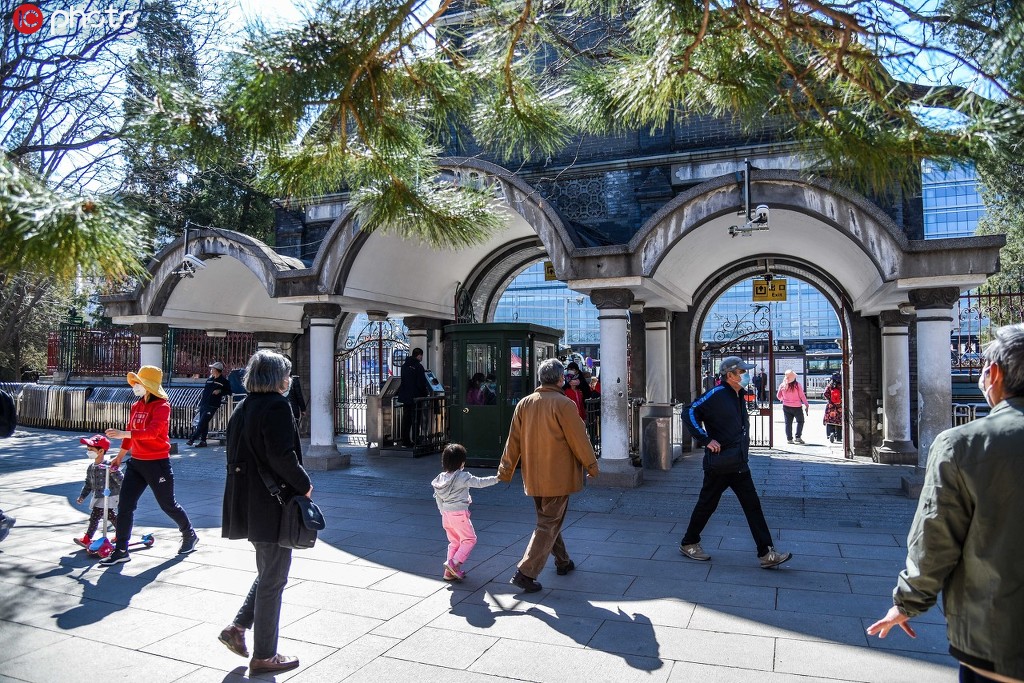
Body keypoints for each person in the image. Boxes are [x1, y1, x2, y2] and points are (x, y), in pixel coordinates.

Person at [867, 323, 1024, 683]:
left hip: (1000, 635)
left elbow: (935, 538)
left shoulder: (964, 444)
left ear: (995, 373)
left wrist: (907, 603)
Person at [220, 350, 312, 676]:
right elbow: (282, 455)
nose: (289, 380)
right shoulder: (276, 406)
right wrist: (305, 485)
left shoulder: (243, 407)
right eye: (286, 374)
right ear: (276, 378)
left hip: (248, 503)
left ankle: (237, 627)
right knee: (274, 578)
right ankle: (265, 656)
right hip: (271, 505)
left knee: (268, 570)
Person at [498, 358, 600, 593]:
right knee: (548, 523)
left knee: (548, 520)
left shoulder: (524, 403)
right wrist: (592, 467)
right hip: (558, 475)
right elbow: (579, 440)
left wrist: (506, 469)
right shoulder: (564, 404)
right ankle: (525, 572)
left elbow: (513, 441)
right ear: (560, 379)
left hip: (533, 475)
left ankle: (563, 561)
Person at [680, 356, 792, 569]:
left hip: (739, 463)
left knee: (753, 506)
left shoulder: (738, 394)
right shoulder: (717, 393)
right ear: (729, 375)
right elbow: (689, 411)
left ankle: (766, 553)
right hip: (720, 464)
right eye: (742, 372)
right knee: (707, 505)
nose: (746, 375)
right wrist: (705, 439)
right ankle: (689, 542)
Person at [101, 365, 199, 566]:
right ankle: (121, 550)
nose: (135, 386)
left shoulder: (162, 406)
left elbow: (152, 432)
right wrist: (120, 456)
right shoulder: (136, 405)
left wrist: (124, 434)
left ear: (148, 385)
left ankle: (189, 534)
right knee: (126, 505)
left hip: (157, 464)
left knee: (167, 505)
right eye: (135, 382)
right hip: (136, 463)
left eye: (139, 382)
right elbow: (130, 433)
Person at [431, 443, 499, 581]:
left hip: (446, 515)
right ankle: (454, 563)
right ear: (462, 462)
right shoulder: (462, 477)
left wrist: (443, 512)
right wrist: (497, 478)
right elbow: (480, 482)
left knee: (454, 542)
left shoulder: (440, 478)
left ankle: (448, 573)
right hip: (459, 514)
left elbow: (438, 499)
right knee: (469, 539)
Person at [74, 434, 121, 548]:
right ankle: (122, 533)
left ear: (101, 451)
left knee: (95, 516)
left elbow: (121, 480)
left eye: (91, 450)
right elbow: (88, 484)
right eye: (88, 449)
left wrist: (113, 471)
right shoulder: (91, 467)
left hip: (109, 496)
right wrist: (82, 496)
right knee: (111, 516)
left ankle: (87, 538)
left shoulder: (109, 465)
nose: (88, 452)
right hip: (98, 496)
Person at [187, 361, 232, 447]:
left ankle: (192, 439)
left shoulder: (224, 381)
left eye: (212, 368)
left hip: (212, 405)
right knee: (204, 423)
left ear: (217, 370)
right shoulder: (209, 379)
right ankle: (203, 441)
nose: (211, 370)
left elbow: (229, 391)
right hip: (204, 404)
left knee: (202, 422)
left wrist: (220, 391)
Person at [397, 348, 429, 448]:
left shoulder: (404, 366)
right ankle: (416, 440)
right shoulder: (418, 367)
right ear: (419, 355)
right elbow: (421, 383)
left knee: (406, 419)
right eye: (421, 355)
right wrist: (425, 393)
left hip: (405, 397)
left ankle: (405, 441)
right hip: (416, 397)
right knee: (416, 419)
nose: (422, 357)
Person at [776, 369, 810, 445]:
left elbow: (778, 396)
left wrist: (783, 399)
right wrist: (806, 404)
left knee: (788, 423)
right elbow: (802, 396)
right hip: (797, 407)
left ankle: (789, 439)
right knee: (800, 421)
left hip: (786, 406)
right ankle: (798, 437)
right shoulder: (797, 385)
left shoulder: (782, 385)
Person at [822, 373, 843, 443]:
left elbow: (825, 393)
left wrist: (830, 400)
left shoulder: (830, 385)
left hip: (831, 406)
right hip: (839, 406)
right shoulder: (841, 386)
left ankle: (831, 433)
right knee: (839, 421)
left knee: (830, 420)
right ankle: (839, 437)